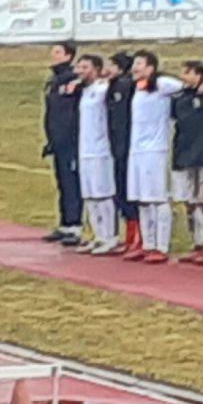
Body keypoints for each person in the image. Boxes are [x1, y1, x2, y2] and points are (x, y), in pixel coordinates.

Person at [126, 50, 183, 264]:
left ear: (150, 67)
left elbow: (182, 86)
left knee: (158, 198)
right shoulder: (137, 89)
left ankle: (162, 245)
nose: (135, 68)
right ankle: (148, 244)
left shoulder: (161, 84)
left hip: (156, 150)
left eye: (139, 64)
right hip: (137, 150)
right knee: (143, 200)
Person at [172, 60, 203, 264]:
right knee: (188, 202)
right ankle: (196, 242)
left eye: (188, 72)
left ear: (199, 75)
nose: (183, 76)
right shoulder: (180, 98)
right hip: (183, 154)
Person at [73, 54, 119, 254]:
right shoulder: (84, 91)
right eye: (79, 67)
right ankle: (98, 235)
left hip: (101, 149)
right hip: (85, 149)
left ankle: (110, 236)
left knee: (103, 194)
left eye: (85, 67)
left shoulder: (103, 89)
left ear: (96, 69)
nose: (80, 71)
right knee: (90, 196)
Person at [42, 42, 82, 247]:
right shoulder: (54, 81)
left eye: (58, 52)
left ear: (68, 56)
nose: (53, 55)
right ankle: (65, 223)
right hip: (58, 140)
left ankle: (75, 225)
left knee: (72, 182)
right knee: (62, 182)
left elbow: (71, 114)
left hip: (71, 141)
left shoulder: (73, 80)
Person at [105, 52, 140, 256]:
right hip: (116, 145)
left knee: (128, 192)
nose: (107, 69)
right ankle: (128, 235)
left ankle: (136, 237)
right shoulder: (112, 86)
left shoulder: (127, 86)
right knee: (119, 192)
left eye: (111, 65)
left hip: (126, 146)